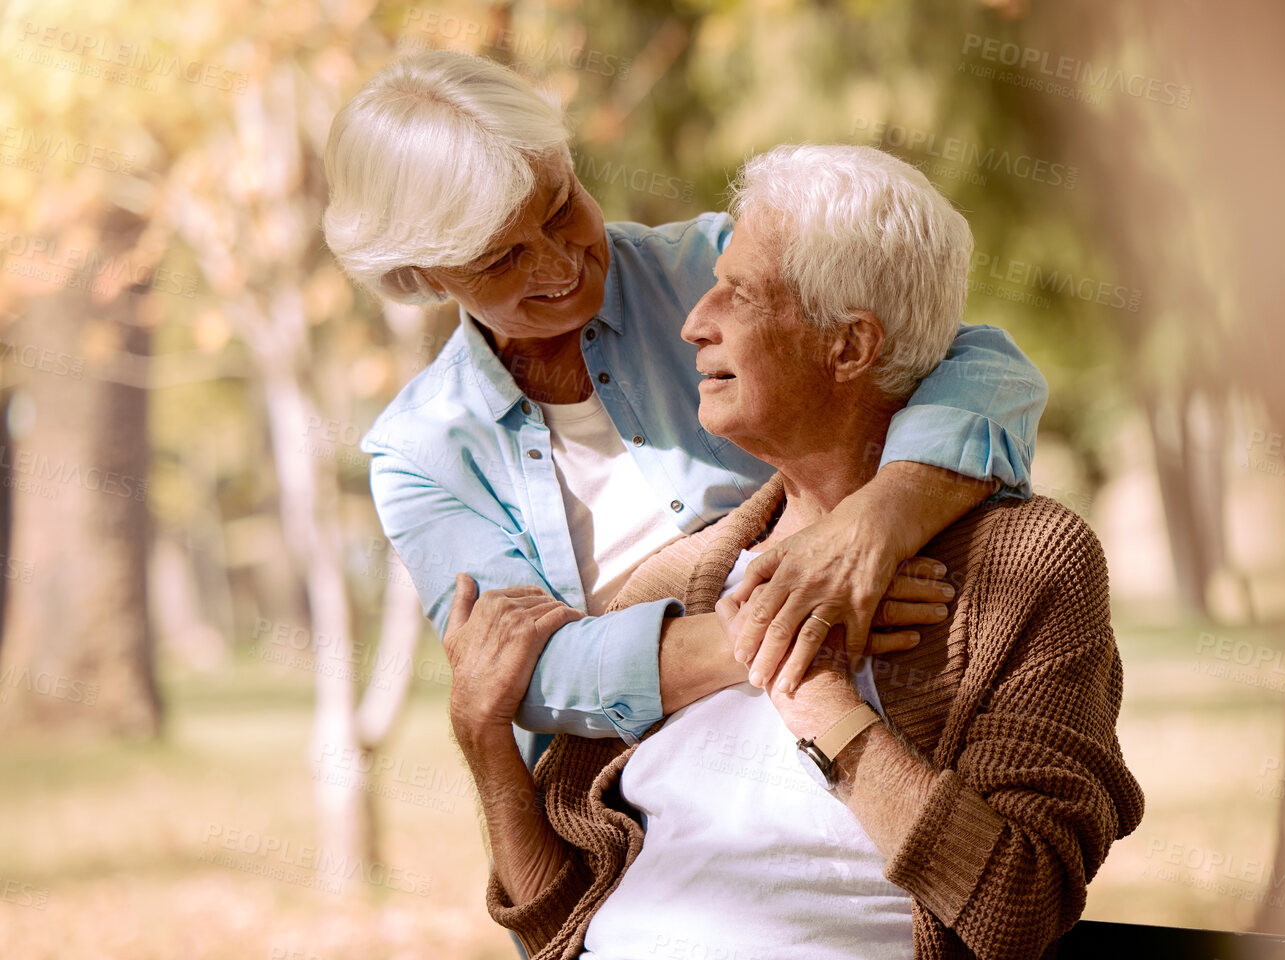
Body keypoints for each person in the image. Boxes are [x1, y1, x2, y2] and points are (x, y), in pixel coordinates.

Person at [262, 142, 1143, 960]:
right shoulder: (684, 578)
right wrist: (488, 747)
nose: (689, 323)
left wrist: (818, 701)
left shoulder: (1026, 565)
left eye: (733, 294)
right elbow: (559, 926)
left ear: (849, 346)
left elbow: (1020, 903)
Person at [322, 51, 1050, 771]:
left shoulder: (716, 265)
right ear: (421, 274)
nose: (561, 264)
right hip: (634, 790)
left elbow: (983, 365)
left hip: (868, 714)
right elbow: (528, 677)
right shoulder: (420, 454)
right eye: (502, 260)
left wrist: (875, 524)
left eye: (562, 206)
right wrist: (780, 620)